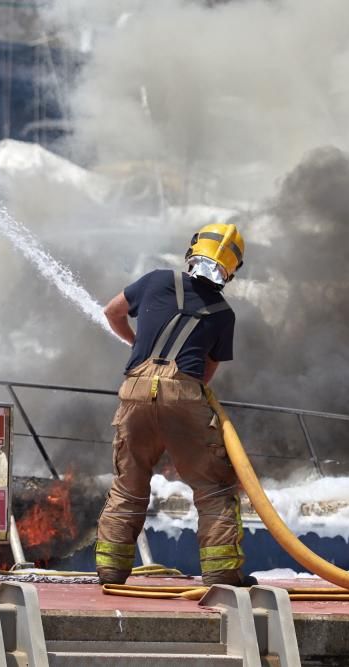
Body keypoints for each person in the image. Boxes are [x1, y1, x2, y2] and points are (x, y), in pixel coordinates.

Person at [95, 222, 254, 587]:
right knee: (213, 489)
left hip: (133, 390)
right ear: (232, 269)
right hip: (185, 393)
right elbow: (205, 375)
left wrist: (139, 347)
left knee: (128, 484)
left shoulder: (155, 281)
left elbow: (111, 312)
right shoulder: (224, 314)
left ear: (192, 251)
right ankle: (221, 575)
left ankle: (111, 572)